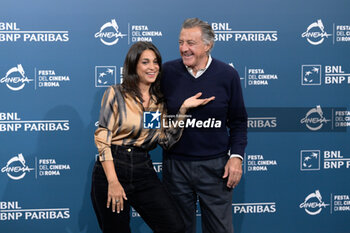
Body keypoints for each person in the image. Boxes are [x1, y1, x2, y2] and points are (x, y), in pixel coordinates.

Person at [91, 41, 214, 233]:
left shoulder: (158, 102)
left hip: (143, 169)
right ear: (134, 66)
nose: (152, 67)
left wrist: (182, 111)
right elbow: (102, 139)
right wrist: (113, 182)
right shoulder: (116, 93)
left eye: (155, 62)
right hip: (113, 167)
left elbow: (166, 141)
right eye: (145, 62)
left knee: (175, 227)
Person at [161, 18, 248, 233]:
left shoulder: (227, 75)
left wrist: (236, 157)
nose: (184, 48)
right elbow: (152, 115)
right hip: (176, 168)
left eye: (190, 43)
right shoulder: (166, 73)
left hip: (216, 168)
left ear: (208, 45)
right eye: (181, 42)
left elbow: (238, 122)